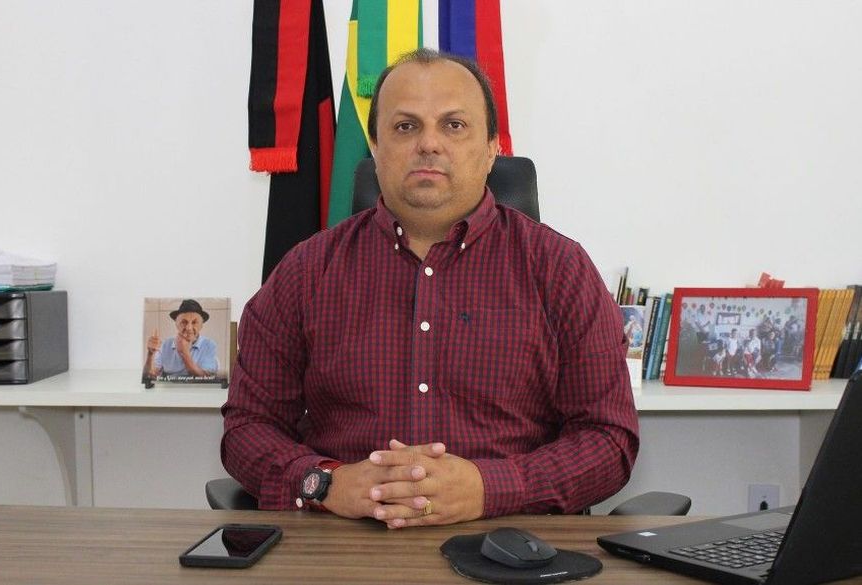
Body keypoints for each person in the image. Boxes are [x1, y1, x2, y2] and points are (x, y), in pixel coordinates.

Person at [221, 48, 639, 529]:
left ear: (492, 148)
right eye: (406, 126)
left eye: (454, 125)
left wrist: (491, 487)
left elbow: (609, 439)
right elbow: (247, 427)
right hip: (344, 542)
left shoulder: (561, 270)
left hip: (512, 543)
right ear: (375, 147)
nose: (429, 144)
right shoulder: (305, 272)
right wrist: (325, 482)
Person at [144, 299, 219, 378]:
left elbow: (207, 377)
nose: (189, 328)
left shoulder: (209, 345)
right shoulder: (166, 345)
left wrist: (184, 353)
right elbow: (150, 375)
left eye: (194, 322)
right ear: (176, 324)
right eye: (184, 322)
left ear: (201, 325)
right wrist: (150, 354)